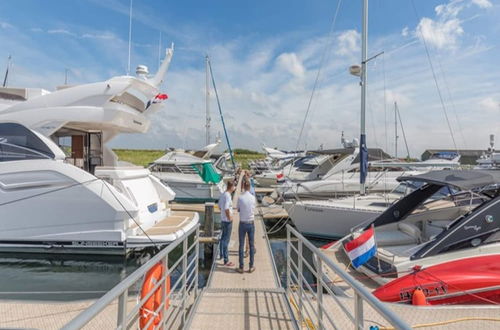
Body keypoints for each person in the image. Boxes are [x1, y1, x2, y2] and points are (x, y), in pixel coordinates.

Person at [237, 180, 256, 273]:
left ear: (243, 187)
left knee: (241, 245)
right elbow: (253, 208)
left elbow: (238, 209)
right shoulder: (253, 198)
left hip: (242, 223)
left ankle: (241, 267)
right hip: (251, 223)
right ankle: (251, 266)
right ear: (250, 187)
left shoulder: (240, 198)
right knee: (251, 245)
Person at [218, 180, 235, 266]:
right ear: (231, 187)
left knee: (222, 238)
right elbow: (226, 208)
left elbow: (219, 207)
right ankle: (226, 260)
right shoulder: (228, 196)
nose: (234, 188)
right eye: (234, 186)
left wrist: (223, 215)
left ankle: (221, 255)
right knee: (226, 240)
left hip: (222, 220)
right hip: (227, 221)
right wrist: (229, 217)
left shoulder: (223, 194)